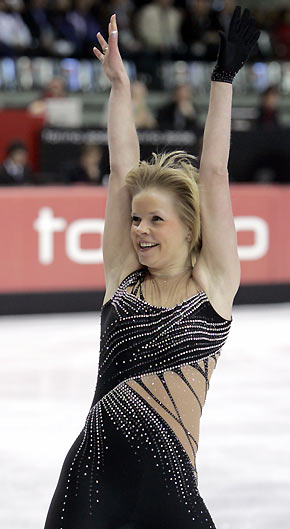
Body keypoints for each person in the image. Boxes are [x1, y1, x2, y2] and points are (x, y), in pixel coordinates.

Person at [44, 8, 260, 529]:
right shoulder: (122, 277)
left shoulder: (213, 286)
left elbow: (213, 172)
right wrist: (120, 88)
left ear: (189, 228)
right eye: (136, 219)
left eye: (154, 220)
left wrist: (222, 80)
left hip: (167, 488)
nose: (139, 229)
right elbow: (122, 169)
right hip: (90, 477)